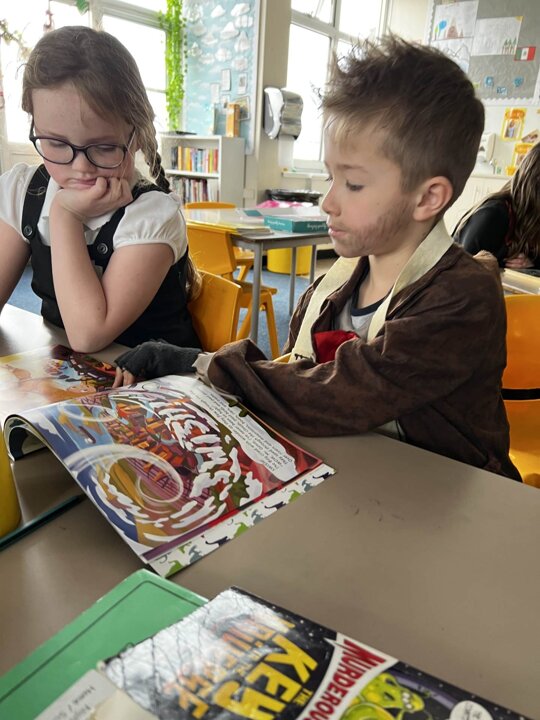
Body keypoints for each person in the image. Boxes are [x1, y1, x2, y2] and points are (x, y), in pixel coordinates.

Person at [114, 36, 521, 482]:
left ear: (427, 198)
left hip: (452, 492)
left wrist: (201, 362)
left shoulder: (464, 296)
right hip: (363, 474)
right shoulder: (335, 286)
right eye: (330, 178)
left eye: (353, 184)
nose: (328, 202)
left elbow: (344, 392)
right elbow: (298, 372)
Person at [0, 26, 201, 353]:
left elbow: (87, 336)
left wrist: (65, 214)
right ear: (34, 125)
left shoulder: (152, 215)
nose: (80, 167)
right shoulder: (26, 192)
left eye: (105, 147)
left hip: (157, 379)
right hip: (70, 373)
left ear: (137, 136)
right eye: (55, 143)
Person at [453, 142, 540, 271]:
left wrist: (532, 264)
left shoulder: (531, 219)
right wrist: (502, 264)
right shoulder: (493, 214)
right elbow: (461, 269)